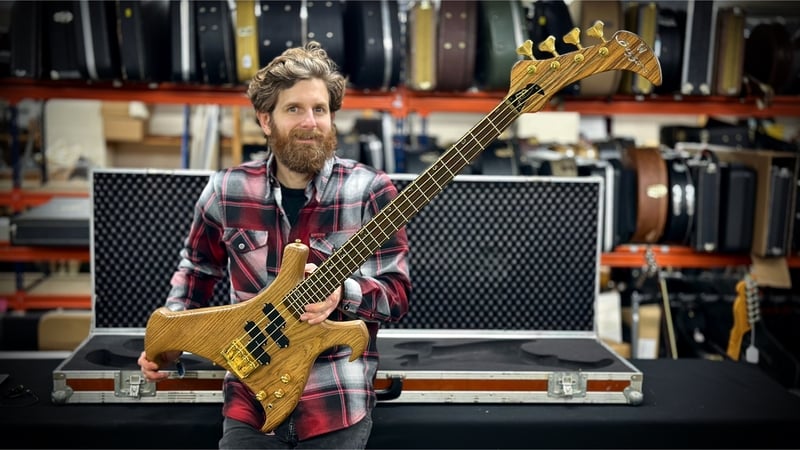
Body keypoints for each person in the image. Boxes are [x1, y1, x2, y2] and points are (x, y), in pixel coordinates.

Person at [137, 41, 411, 449]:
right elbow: (198, 272)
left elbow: (398, 293)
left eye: (320, 110)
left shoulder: (370, 190)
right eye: (294, 109)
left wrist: (344, 294)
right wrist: (170, 341)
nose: (310, 121)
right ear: (266, 120)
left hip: (335, 399)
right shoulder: (226, 190)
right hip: (250, 396)